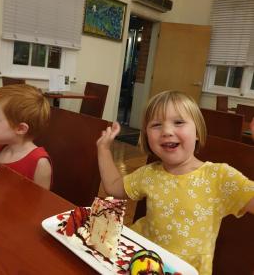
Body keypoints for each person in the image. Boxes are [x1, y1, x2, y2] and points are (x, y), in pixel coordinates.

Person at [97, 90, 254, 275]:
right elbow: (114, 187)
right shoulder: (149, 173)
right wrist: (104, 148)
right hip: (141, 264)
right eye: (156, 125)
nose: (167, 131)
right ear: (146, 135)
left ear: (197, 131)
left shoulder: (218, 177)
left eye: (178, 122)